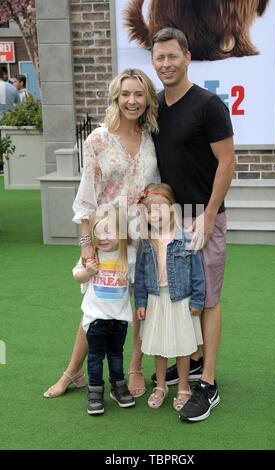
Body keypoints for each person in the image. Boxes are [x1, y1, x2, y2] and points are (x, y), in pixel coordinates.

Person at [43, 68, 160, 398]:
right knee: (96, 312)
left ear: (148, 99)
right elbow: (87, 194)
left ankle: (135, 368)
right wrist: (86, 244)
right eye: (126, 94)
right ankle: (72, 372)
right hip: (107, 241)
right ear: (116, 97)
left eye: (139, 94)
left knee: (139, 305)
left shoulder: (153, 139)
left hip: (142, 237)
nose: (132, 101)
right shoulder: (98, 139)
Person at [150, 28, 236, 422]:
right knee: (179, 299)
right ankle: (195, 360)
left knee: (208, 301)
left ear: (186, 57)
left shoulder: (208, 105)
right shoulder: (155, 107)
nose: (166, 64)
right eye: (159, 58)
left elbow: (227, 163)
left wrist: (208, 213)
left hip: (204, 217)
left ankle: (209, 383)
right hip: (167, 222)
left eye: (172, 56)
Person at [134, 183, 205, 411]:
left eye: (161, 209)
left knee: (183, 346)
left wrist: (197, 301)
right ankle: (161, 386)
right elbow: (141, 275)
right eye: (151, 212)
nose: (156, 215)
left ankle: (183, 387)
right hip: (156, 300)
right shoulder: (147, 242)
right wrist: (141, 303)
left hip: (180, 300)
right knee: (160, 347)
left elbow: (197, 273)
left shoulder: (185, 239)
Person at [73, 206, 136, 415]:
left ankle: (118, 387)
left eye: (109, 231)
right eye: (98, 232)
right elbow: (77, 278)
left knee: (116, 355)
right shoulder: (92, 256)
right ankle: (95, 391)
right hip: (96, 319)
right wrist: (88, 272)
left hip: (119, 319)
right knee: (94, 357)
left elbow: (138, 283)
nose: (103, 237)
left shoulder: (130, 256)